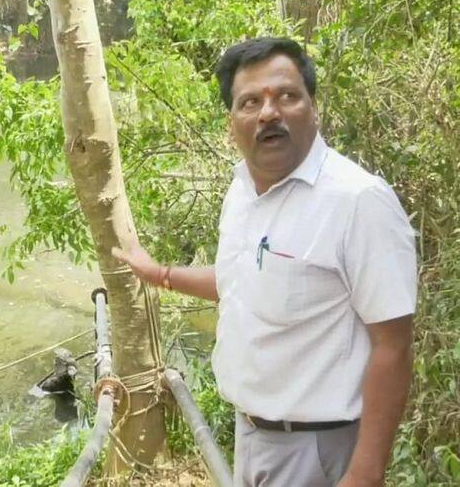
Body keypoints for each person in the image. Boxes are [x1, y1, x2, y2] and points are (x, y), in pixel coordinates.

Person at [113, 37, 417, 487]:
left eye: (287, 96)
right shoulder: (242, 192)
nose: (268, 112)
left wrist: (365, 472)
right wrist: (160, 274)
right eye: (250, 102)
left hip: (320, 448)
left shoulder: (358, 202)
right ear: (231, 122)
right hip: (251, 433)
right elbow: (242, 282)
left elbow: (393, 345)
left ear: (313, 108)